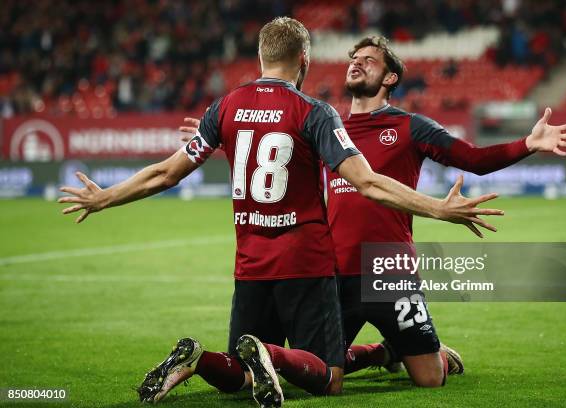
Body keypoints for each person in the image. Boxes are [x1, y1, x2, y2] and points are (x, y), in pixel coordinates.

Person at [58, 19, 504, 407]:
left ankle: (201, 359)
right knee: (328, 379)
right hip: (305, 263)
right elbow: (367, 182)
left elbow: (164, 174)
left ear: (260, 56)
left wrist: (104, 198)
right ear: (304, 59)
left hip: (250, 266)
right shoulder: (314, 111)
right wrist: (438, 209)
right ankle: (273, 354)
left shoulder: (225, 107)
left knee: (238, 374)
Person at [179, 36, 566, 389]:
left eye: (368, 60)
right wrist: (218, 135)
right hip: (331, 269)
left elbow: (472, 158)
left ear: (390, 78)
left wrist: (527, 144)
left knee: (430, 378)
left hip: (389, 270)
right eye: (354, 58)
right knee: (316, 370)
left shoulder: (410, 127)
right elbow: (275, 156)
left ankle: (410, 352)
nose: (356, 63)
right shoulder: (325, 124)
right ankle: (381, 353)